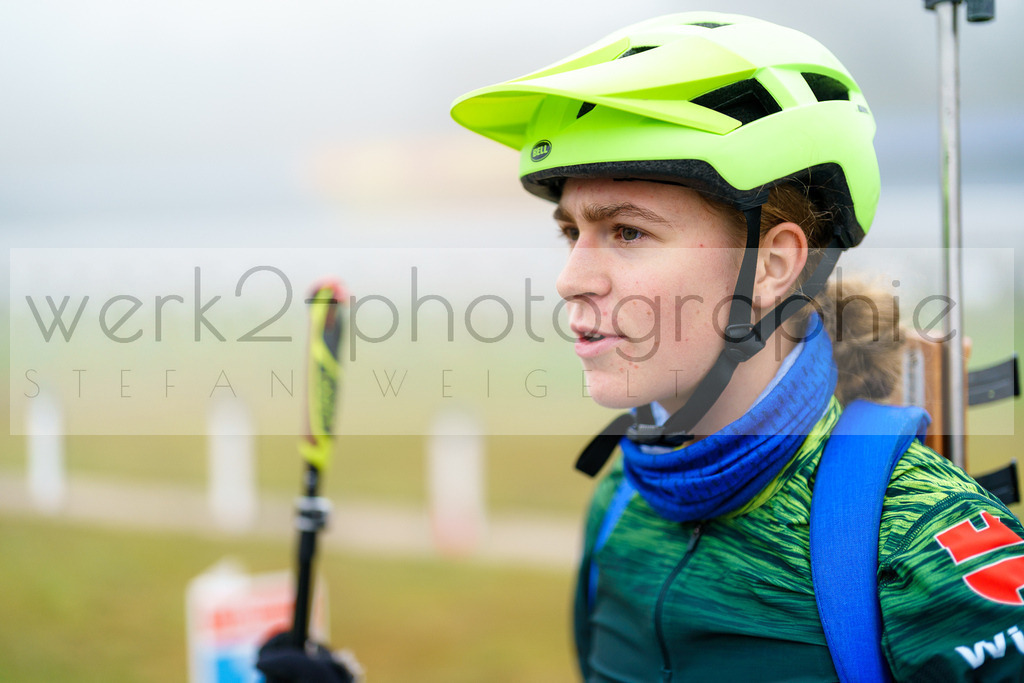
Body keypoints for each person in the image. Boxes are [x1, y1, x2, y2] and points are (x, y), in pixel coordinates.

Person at [451, 12, 1024, 681]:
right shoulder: (620, 504)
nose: (571, 279)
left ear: (774, 265)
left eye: (628, 232)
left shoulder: (920, 548)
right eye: (571, 232)